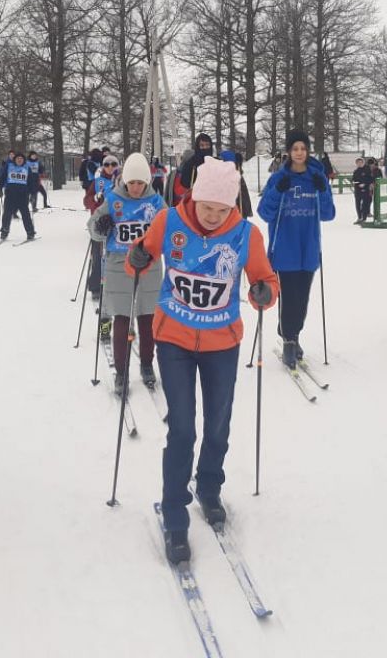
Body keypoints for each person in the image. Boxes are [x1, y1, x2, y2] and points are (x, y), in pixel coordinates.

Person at [126, 156, 279, 563]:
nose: (213, 216)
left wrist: (263, 291)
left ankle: (209, 488)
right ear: (194, 196)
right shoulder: (169, 221)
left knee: (217, 425)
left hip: (221, 343)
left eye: (222, 209)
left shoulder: (246, 234)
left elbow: (264, 278)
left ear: (234, 206)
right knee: (181, 428)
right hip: (173, 338)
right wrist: (138, 258)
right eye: (207, 206)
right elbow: (139, 254)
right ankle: (175, 517)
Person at [257, 130, 336, 369]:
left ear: (308, 151)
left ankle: (292, 334)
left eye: (303, 148)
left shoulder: (316, 177)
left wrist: (322, 189)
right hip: (285, 247)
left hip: (309, 247)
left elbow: (329, 214)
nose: (299, 153)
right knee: (289, 297)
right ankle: (289, 340)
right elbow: (264, 213)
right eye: (295, 149)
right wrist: (277, 190)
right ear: (289, 152)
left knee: (302, 298)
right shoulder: (278, 178)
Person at [89, 153, 166, 393]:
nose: (135, 187)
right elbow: (94, 229)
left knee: (147, 317)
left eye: (140, 183)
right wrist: (100, 227)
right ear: (124, 181)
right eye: (131, 182)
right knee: (122, 316)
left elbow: (170, 231)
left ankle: (146, 364)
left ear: (147, 182)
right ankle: (121, 372)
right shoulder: (113, 200)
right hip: (119, 263)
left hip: (148, 265)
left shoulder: (156, 202)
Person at [89, 154, 121, 317]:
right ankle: (95, 287)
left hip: (118, 226)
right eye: (107, 164)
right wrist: (94, 201)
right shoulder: (98, 182)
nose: (110, 167)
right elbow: (87, 199)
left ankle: (115, 291)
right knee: (97, 254)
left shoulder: (121, 182)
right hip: (101, 224)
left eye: (113, 164)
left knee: (113, 259)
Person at [0, 153, 37, 242]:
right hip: (10, 194)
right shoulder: (9, 166)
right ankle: (4, 231)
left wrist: (33, 194)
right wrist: (0, 188)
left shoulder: (27, 167)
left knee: (25, 214)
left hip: (23, 195)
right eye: (18, 158)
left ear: (23, 160)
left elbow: (31, 182)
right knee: (7, 214)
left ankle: (30, 232)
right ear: (15, 159)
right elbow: (2, 177)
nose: (19, 160)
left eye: (21, 159)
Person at [175, 133, 214, 199]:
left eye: (207, 145)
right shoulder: (191, 163)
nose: (205, 148)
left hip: (213, 198)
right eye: (202, 145)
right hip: (196, 198)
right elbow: (185, 183)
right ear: (197, 147)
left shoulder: (215, 162)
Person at [218, 149, 253, 218]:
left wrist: (245, 211)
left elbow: (244, 196)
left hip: (238, 211)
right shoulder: (220, 176)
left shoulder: (237, 176)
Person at [351, 157, 374, 223]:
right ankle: (359, 217)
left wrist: (365, 184)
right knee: (357, 203)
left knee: (365, 204)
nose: (359, 164)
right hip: (357, 189)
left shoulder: (367, 169)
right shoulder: (356, 171)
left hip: (366, 189)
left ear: (363, 163)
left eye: (361, 162)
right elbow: (354, 179)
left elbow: (370, 179)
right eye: (358, 163)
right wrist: (354, 182)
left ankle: (364, 218)